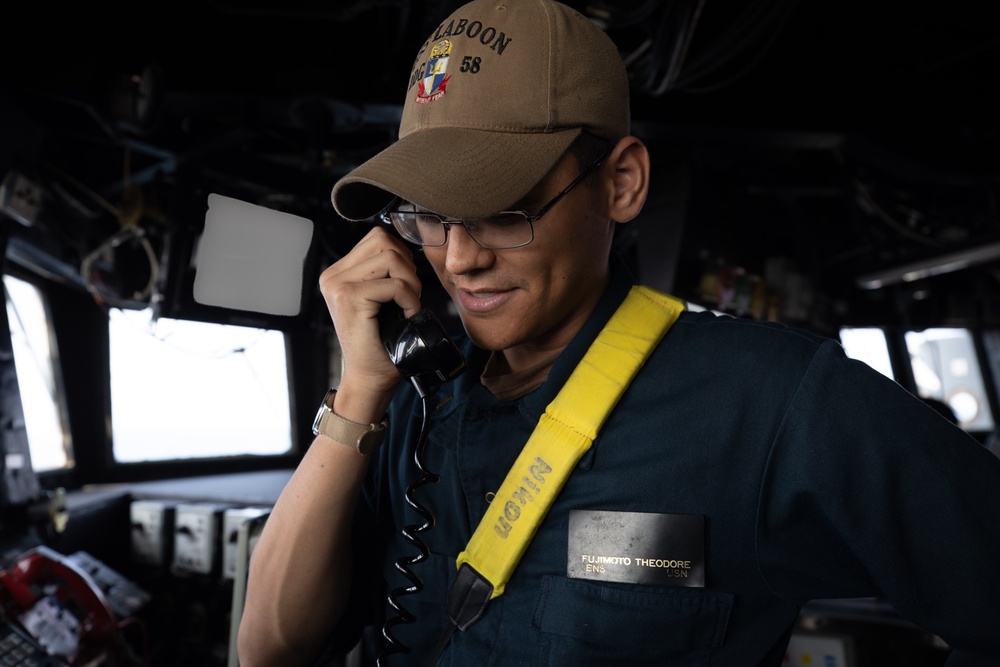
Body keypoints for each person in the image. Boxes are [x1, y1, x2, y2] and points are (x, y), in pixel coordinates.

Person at [237, 0, 1000, 665]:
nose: (461, 258)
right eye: (429, 216)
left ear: (621, 183)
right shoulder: (412, 405)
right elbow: (267, 648)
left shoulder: (773, 400)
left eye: (508, 209)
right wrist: (361, 397)